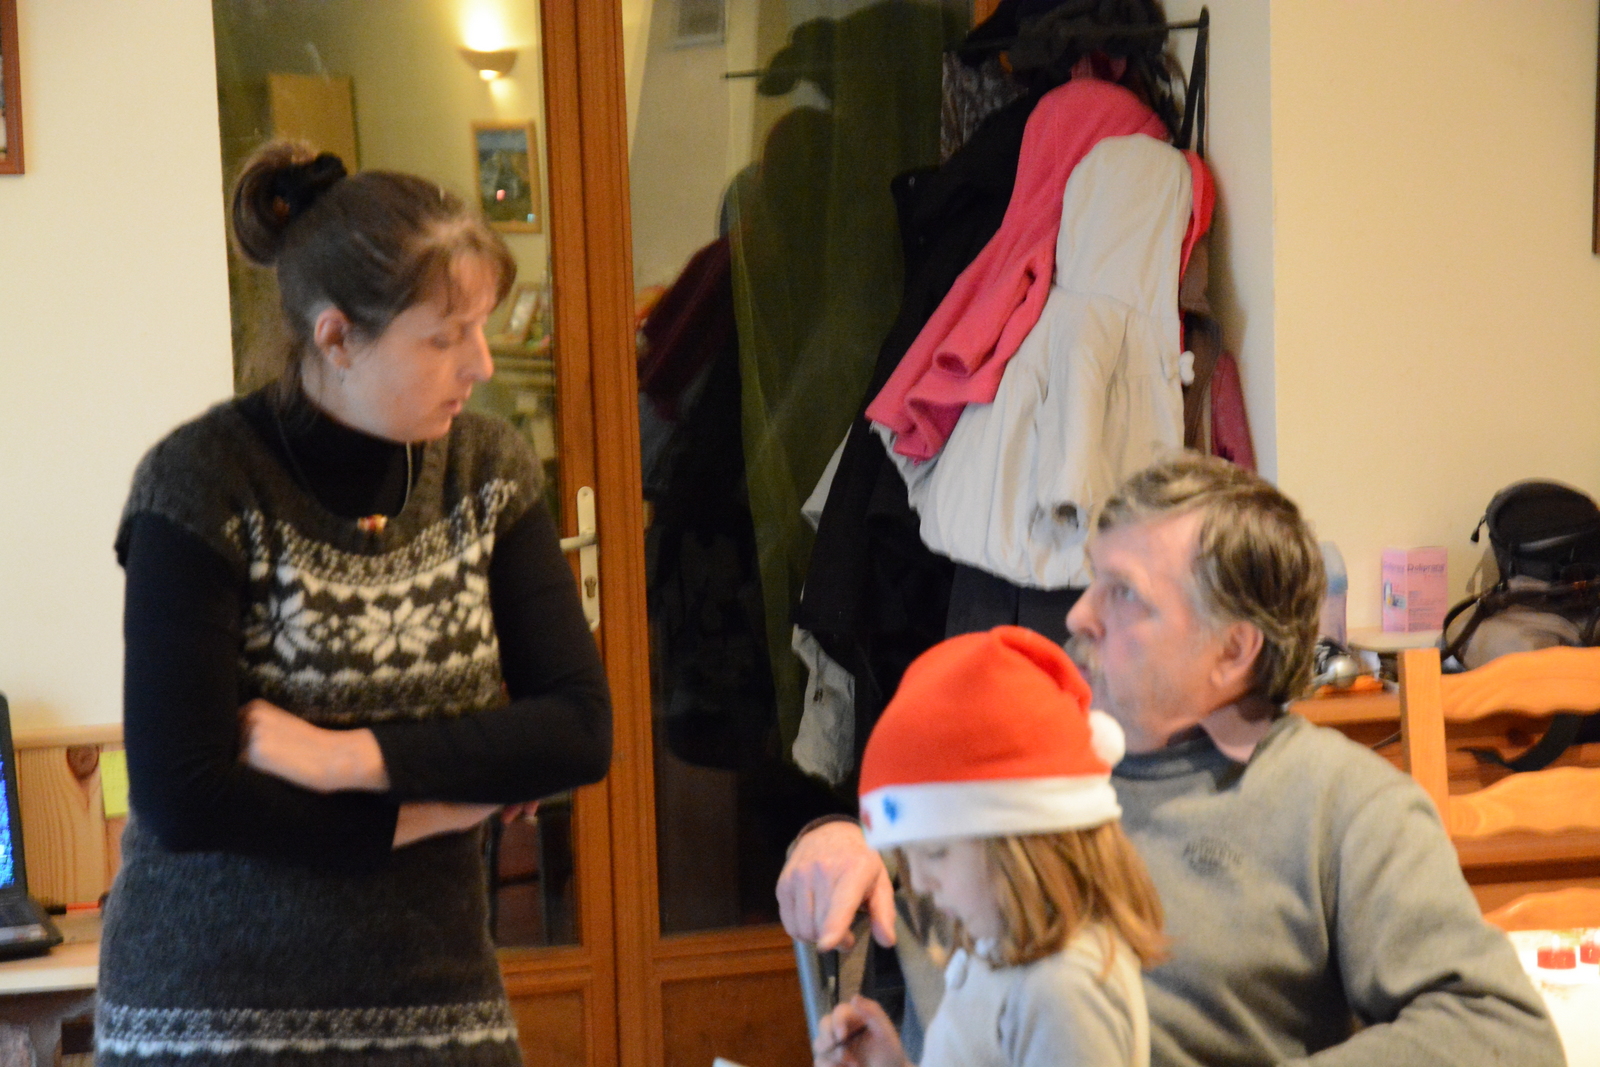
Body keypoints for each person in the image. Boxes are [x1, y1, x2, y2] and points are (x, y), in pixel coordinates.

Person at [780, 454, 1565, 1066]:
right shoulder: (1017, 752)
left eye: (1123, 593)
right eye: (1093, 578)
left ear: (1232, 650)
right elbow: (906, 841)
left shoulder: (1342, 802)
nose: (1080, 612)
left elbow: (1501, 1031)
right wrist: (833, 837)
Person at [96, 143, 612, 1066]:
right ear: (337, 338)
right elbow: (186, 795)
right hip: (209, 1011)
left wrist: (344, 758)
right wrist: (443, 803)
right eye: (444, 337)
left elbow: (578, 729)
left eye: (480, 328)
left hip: (436, 992)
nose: (480, 363)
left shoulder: (486, 469)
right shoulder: (200, 481)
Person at [812, 626, 1165, 1067]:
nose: (918, 881)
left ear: (1025, 845)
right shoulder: (999, 951)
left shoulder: (1065, 992)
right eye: (908, 857)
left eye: (936, 852)